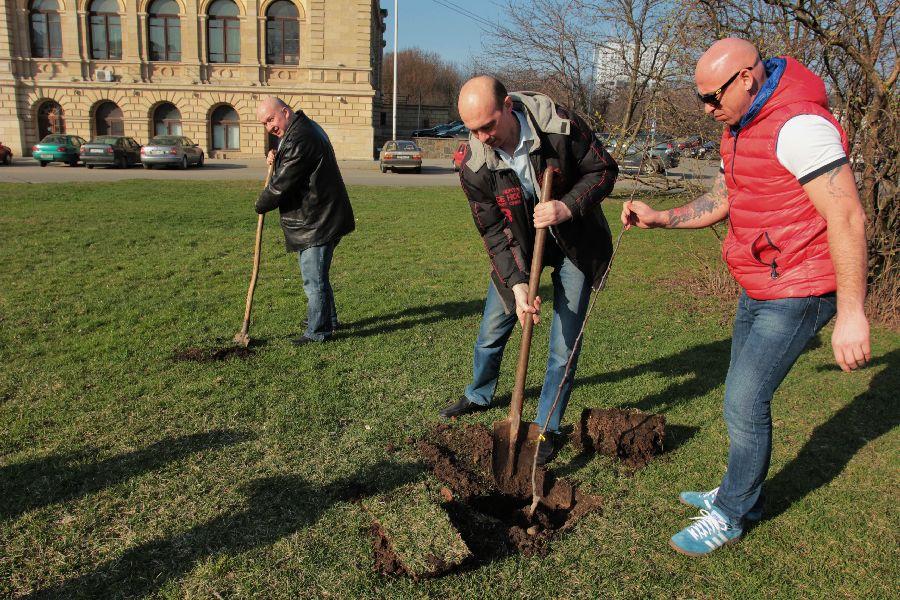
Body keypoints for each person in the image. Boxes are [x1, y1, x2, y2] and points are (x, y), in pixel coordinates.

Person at [621, 38, 871, 556]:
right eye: (701, 100)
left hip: (801, 286)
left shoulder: (800, 127)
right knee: (741, 396)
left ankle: (732, 513)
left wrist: (852, 313)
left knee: (743, 399)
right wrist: (662, 218)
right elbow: (726, 196)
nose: (708, 109)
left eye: (713, 98)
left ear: (747, 80)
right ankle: (743, 493)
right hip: (760, 281)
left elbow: (847, 217)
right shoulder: (740, 127)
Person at [439, 76, 619, 465]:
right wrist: (518, 285)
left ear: (508, 105)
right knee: (491, 330)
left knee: (562, 345)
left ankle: (547, 426)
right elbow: (491, 229)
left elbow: (603, 169)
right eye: (473, 129)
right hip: (521, 246)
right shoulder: (473, 164)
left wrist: (567, 206)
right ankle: (478, 393)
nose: (482, 137)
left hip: (575, 241)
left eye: (488, 125)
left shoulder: (560, 127)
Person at [255, 96, 355, 344]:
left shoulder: (301, 137)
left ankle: (317, 331)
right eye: (265, 124)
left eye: (271, 119)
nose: (270, 127)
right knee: (318, 275)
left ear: (285, 112)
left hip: (318, 220)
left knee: (314, 279)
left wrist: (261, 204)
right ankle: (325, 319)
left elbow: (281, 186)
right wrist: (276, 156)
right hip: (320, 216)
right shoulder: (301, 129)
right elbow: (292, 161)